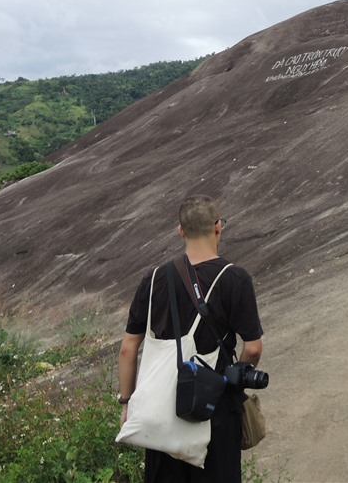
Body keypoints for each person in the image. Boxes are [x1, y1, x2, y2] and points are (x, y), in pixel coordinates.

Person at [118, 195, 264, 483]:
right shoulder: (235, 278)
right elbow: (253, 348)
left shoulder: (154, 278)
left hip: (161, 410)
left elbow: (128, 348)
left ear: (180, 231)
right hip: (215, 409)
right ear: (218, 227)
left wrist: (126, 404)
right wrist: (232, 380)